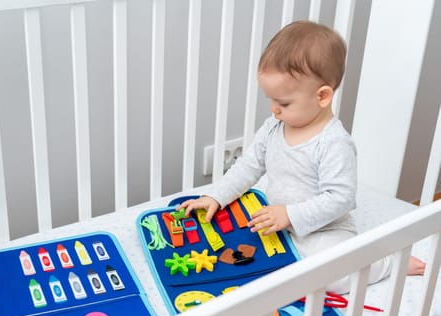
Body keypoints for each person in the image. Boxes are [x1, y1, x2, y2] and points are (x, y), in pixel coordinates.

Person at [177, 20, 425, 293]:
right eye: (270, 100)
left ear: (322, 96)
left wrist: (291, 215)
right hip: (281, 224)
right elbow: (248, 166)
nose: (274, 110)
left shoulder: (333, 143)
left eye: (283, 103)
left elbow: (340, 200)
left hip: (323, 231)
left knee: (331, 279)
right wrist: (217, 196)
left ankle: (386, 264)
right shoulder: (274, 127)